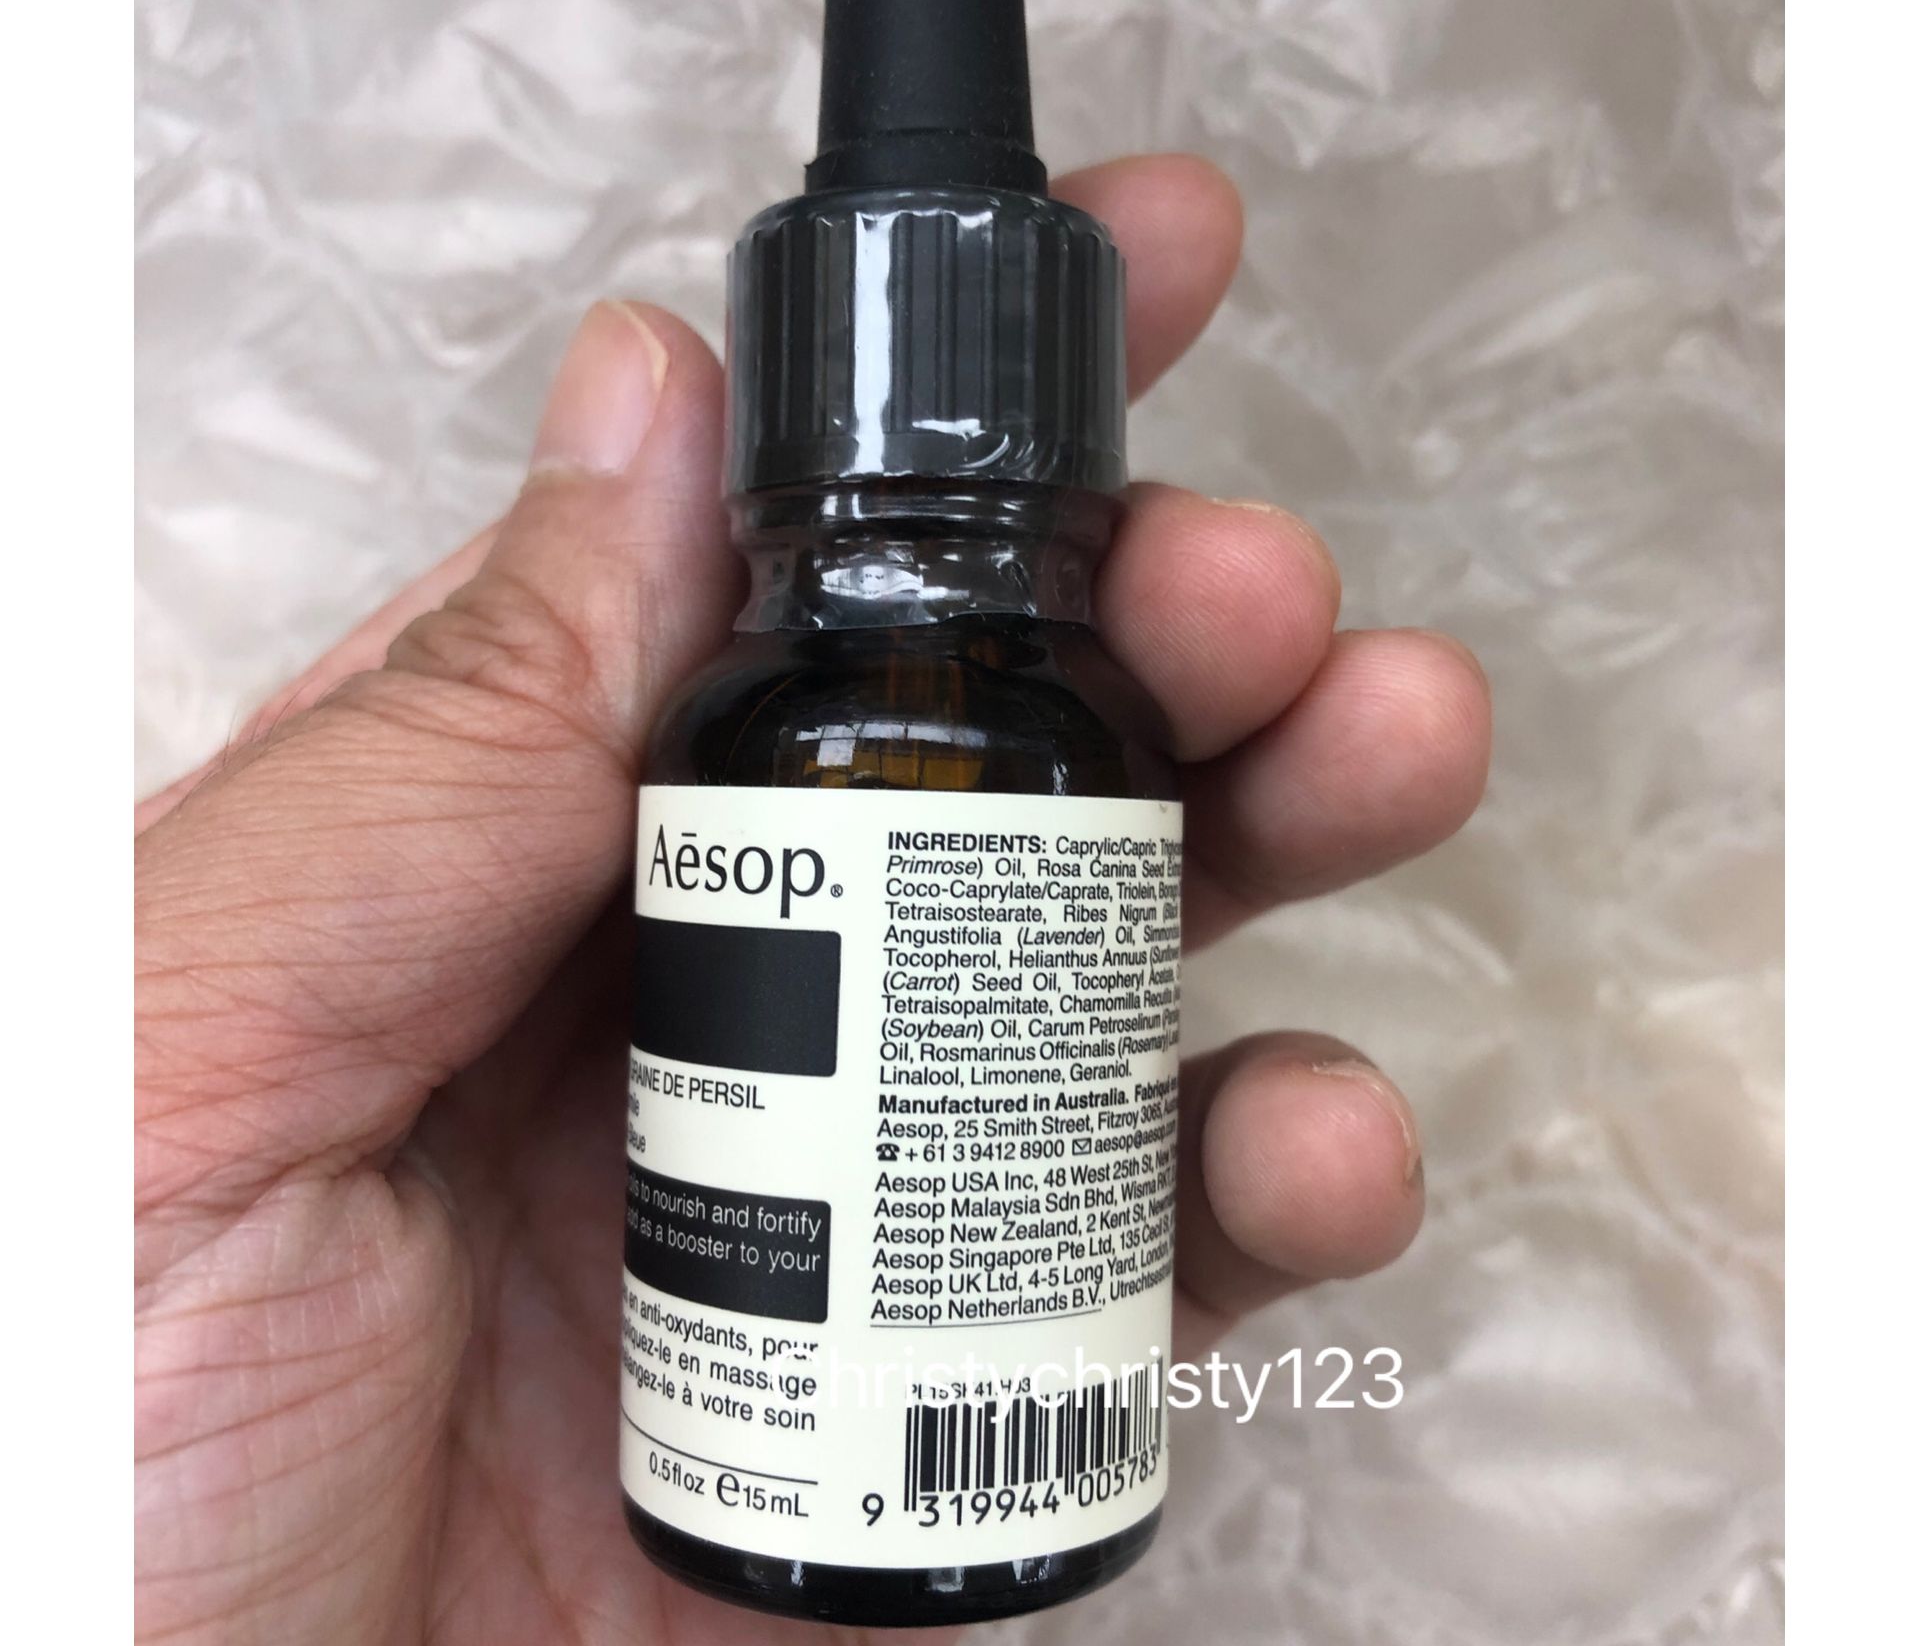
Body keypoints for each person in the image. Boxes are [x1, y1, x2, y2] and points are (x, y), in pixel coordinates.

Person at [134, 155, 1492, 1642]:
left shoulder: (1064, 736)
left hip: (1018, 1441)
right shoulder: (776, 730)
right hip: (711, 1435)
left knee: (1308, 1124)